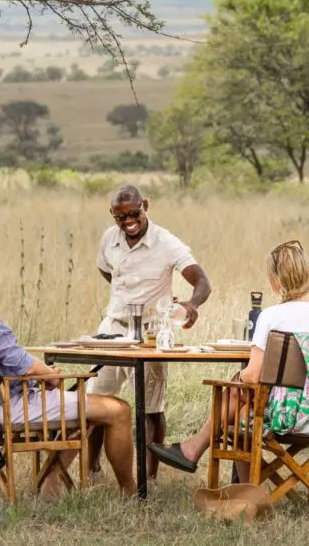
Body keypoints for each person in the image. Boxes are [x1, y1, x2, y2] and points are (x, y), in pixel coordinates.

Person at [0, 237, 137, 496]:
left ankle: (50, 482)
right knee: (118, 409)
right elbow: (21, 364)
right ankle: (131, 491)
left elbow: (1, 359)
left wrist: (42, 373)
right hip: (9, 406)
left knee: (86, 408)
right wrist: (50, 374)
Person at [149, 240, 309, 476]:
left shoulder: (273, 316)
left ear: (276, 282)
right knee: (243, 400)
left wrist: (239, 377)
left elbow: (253, 376)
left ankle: (243, 489)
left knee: (239, 399)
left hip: (297, 417)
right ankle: (196, 451)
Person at [88, 184, 211, 480]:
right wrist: (125, 292)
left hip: (151, 333)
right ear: (112, 215)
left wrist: (192, 305)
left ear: (145, 205)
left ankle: (148, 475)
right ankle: (91, 468)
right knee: (94, 402)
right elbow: (106, 269)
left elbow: (202, 281)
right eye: (121, 217)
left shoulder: (166, 242)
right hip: (113, 328)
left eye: (134, 213)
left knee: (151, 407)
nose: (128, 221)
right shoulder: (109, 238)